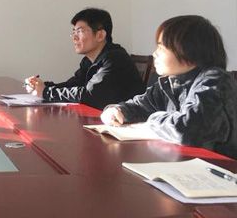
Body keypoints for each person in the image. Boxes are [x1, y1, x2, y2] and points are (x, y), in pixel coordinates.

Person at [100, 15, 237, 158]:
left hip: (221, 168)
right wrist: (117, 110)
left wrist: (151, 122)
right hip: (184, 163)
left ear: (187, 49)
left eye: (160, 47)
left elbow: (187, 128)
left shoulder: (216, 80)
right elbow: (140, 106)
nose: (154, 54)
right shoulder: (170, 82)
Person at [25, 8, 144, 109]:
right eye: (74, 32)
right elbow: (73, 85)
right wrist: (43, 86)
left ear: (100, 35)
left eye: (80, 31)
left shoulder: (114, 58)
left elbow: (90, 95)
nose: (74, 37)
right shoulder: (89, 60)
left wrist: (46, 92)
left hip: (125, 123)